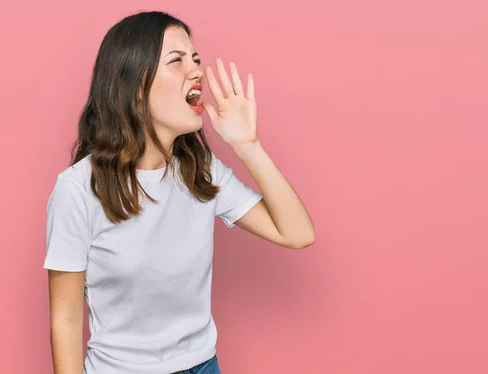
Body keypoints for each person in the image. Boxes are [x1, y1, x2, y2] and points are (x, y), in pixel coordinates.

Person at [43, 10, 316, 374]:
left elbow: (297, 234)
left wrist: (248, 145)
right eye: (177, 60)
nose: (197, 70)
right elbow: (65, 321)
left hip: (202, 366)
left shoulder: (198, 169)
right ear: (135, 87)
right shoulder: (77, 190)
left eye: (195, 58)